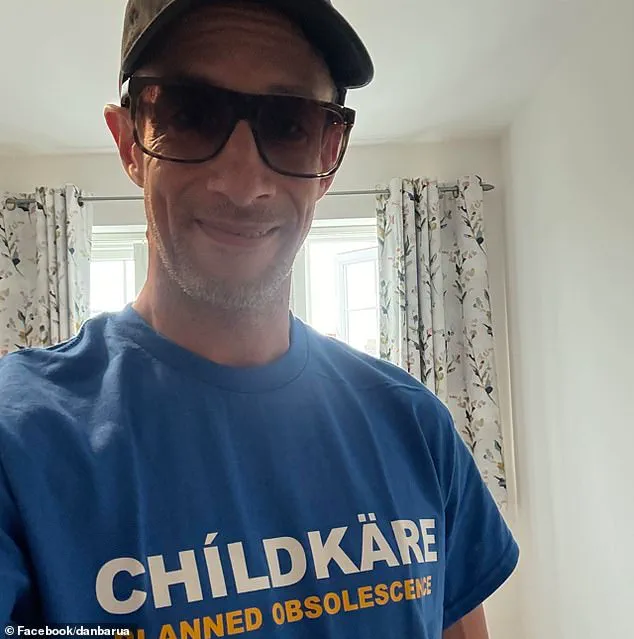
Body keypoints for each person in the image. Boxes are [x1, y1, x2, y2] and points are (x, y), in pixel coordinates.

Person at [0, 0, 519, 636]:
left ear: (330, 151)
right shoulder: (18, 440)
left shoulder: (416, 426)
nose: (243, 185)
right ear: (130, 142)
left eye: (290, 125)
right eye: (190, 114)